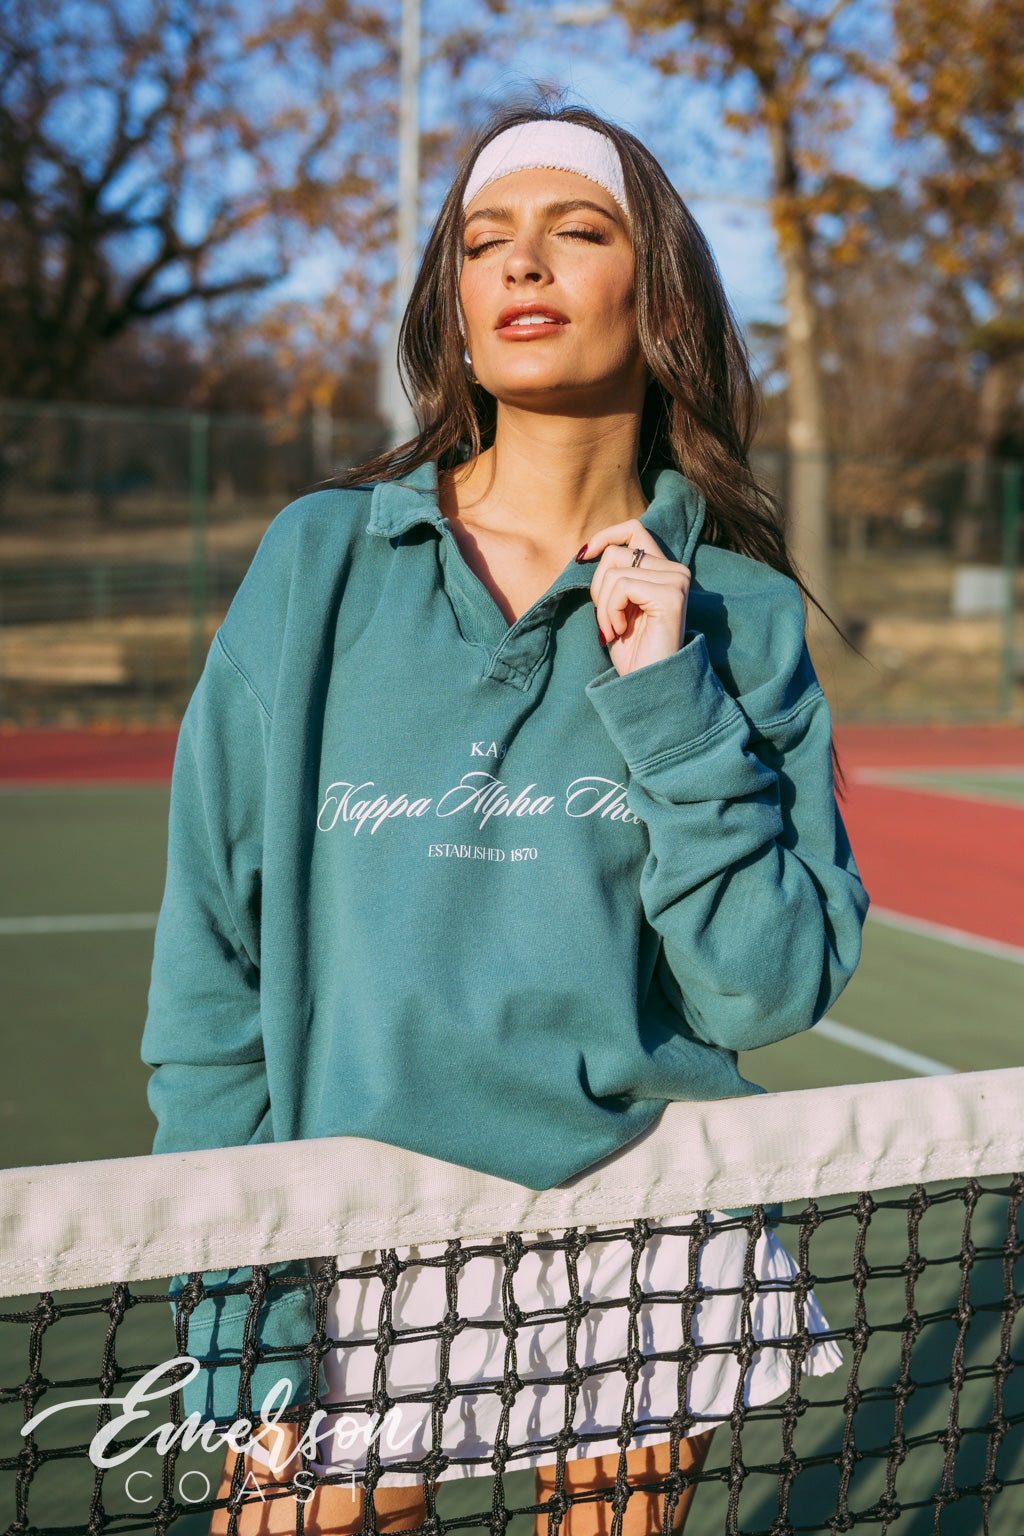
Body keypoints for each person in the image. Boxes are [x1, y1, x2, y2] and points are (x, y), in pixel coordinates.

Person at [141, 103, 869, 1534]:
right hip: (337, 1221)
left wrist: (671, 697)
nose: (522, 265)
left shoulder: (742, 615)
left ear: (661, 305)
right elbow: (211, 956)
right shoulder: (318, 561)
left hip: (646, 1223)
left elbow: (763, 989)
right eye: (485, 244)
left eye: (575, 231)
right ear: (458, 310)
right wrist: (236, 1297)